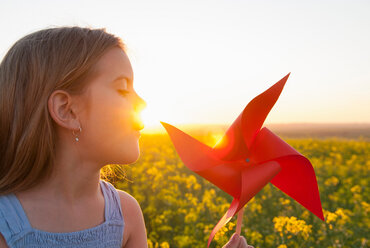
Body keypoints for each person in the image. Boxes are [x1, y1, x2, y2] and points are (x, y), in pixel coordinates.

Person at [0, 26, 253, 248]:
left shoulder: (125, 214)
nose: (141, 101)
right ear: (67, 110)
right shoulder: (6, 223)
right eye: (122, 89)